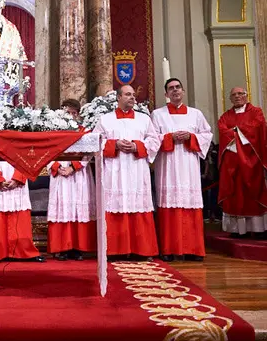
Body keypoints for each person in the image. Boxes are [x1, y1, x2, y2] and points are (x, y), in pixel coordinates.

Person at [93, 85, 160, 260]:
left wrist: (137, 146)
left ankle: (142, 250)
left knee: (139, 205)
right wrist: (114, 145)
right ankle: (115, 250)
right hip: (114, 171)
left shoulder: (144, 119)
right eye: (128, 95)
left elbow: (154, 141)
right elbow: (95, 142)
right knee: (115, 205)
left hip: (137, 170)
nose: (132, 98)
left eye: (133, 95)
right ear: (118, 97)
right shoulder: (106, 119)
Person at [151, 78, 213, 261]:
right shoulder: (157, 114)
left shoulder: (196, 114)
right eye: (171, 88)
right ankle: (168, 249)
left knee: (190, 203)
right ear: (166, 94)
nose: (175, 91)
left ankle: (193, 249)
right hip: (168, 165)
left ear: (183, 91)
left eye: (178, 87)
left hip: (188, 165)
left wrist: (190, 137)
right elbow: (152, 139)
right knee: (169, 204)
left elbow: (206, 135)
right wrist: (169, 137)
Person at [46, 99, 96, 261]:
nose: (71, 116)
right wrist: (57, 167)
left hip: (79, 175)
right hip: (60, 174)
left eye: (74, 113)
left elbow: (89, 152)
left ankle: (78, 248)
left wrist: (73, 167)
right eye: (68, 112)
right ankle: (61, 247)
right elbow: (45, 151)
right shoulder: (52, 131)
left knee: (78, 209)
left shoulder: (85, 131)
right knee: (62, 208)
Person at [217, 87, 267, 239]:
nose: (237, 97)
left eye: (240, 94)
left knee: (253, 192)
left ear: (246, 96)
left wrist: (236, 131)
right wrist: (237, 132)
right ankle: (238, 230)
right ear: (230, 99)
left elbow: (257, 127)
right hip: (233, 163)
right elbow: (222, 129)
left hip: (252, 160)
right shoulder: (226, 116)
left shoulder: (256, 112)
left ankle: (258, 229)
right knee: (235, 194)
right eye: (234, 95)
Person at [0, 161, 45, 262]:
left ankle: (23, 252)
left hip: (17, 178)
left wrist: (18, 179)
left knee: (19, 215)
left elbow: (24, 157)